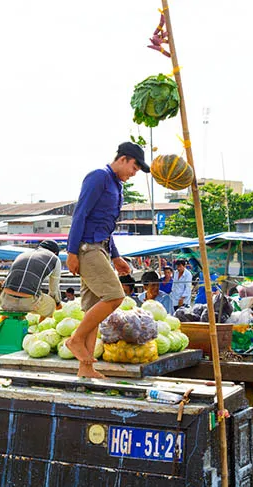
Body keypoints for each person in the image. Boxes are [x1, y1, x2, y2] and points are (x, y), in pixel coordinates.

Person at [64, 141, 150, 378]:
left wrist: (116, 257)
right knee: (115, 296)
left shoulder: (116, 186)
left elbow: (106, 227)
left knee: (93, 308)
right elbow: (80, 214)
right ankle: (76, 340)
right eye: (134, 167)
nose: (134, 174)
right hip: (87, 247)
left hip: (100, 247)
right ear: (123, 159)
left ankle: (86, 368)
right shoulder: (99, 177)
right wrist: (71, 252)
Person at [0, 240, 62, 318]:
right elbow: (53, 291)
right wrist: (58, 303)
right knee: (51, 304)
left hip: (5, 300)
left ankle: (9, 322)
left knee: (18, 306)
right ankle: (40, 329)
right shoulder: (55, 259)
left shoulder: (23, 254)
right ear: (55, 253)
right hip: (27, 303)